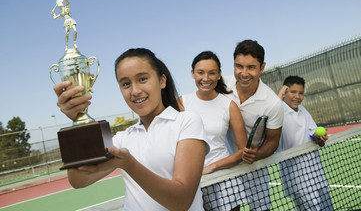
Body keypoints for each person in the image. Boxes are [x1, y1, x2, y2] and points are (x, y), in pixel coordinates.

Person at [53, 48, 208, 210]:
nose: (135, 91)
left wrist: (130, 164)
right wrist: (78, 119)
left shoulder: (187, 122)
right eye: (126, 84)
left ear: (162, 81)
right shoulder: (122, 138)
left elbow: (181, 201)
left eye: (142, 79)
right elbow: (79, 180)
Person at [178, 51, 248, 210]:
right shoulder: (182, 102)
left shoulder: (229, 105)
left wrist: (212, 167)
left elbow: (243, 151)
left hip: (225, 177)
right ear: (192, 73)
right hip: (193, 180)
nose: (206, 78)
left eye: (212, 73)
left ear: (219, 75)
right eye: (200, 72)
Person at [223, 39, 284, 210]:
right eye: (239, 66)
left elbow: (273, 142)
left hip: (254, 167)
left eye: (251, 67)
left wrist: (255, 156)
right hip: (224, 162)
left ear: (262, 67)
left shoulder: (273, 104)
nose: (244, 73)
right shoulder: (221, 84)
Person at [277, 75, 333, 210]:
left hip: (315, 171)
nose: (297, 96)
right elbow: (267, 114)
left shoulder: (303, 110)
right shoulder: (278, 110)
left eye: (301, 93)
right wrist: (278, 95)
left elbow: (314, 134)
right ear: (285, 92)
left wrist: (319, 138)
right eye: (293, 92)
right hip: (296, 177)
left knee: (327, 206)